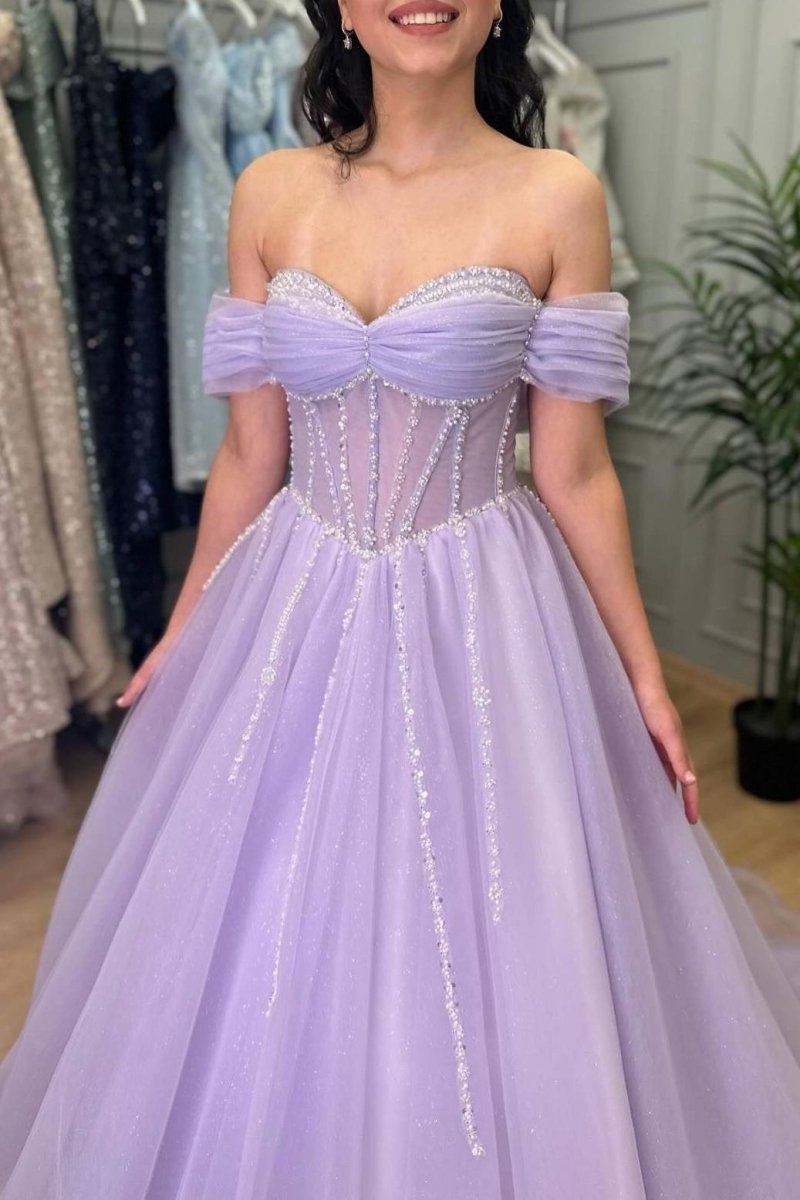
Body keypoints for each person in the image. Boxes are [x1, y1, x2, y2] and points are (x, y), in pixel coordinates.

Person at [2, 1, 800, 1196]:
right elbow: (249, 455)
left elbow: (574, 471)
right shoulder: (270, 191)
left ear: (497, 6)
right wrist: (185, 626)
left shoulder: (554, 195)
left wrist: (641, 675)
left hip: (485, 610)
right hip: (294, 593)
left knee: (504, 928)